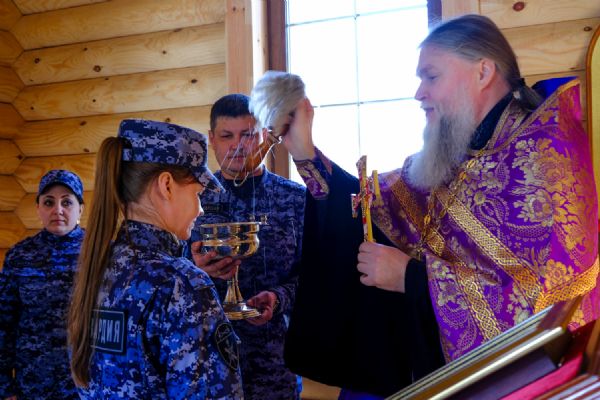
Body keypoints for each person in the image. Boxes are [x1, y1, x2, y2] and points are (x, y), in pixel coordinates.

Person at [281, 14, 600, 399]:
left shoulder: (545, 159)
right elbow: (375, 206)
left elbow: (544, 305)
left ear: (483, 72)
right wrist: (305, 152)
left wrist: (412, 278)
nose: (419, 93)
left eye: (431, 77)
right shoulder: (462, 149)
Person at [68, 119, 243, 399]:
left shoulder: (98, 266)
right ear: (166, 185)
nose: (200, 209)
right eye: (197, 194)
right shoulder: (182, 284)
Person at [188, 93, 306, 400]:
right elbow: (168, 270)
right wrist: (194, 268)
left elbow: (314, 275)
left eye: (248, 135)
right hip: (205, 361)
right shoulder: (189, 199)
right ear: (211, 139)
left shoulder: (295, 199)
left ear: (264, 134)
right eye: (227, 136)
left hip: (276, 364)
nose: (238, 146)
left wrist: (278, 298)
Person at [0, 169, 84, 399]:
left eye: (66, 202)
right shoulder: (19, 255)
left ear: (80, 209)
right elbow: (4, 322)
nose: (58, 210)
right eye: (48, 202)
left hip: (86, 385)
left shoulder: (100, 252)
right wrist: (4, 385)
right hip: (33, 384)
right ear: (38, 208)